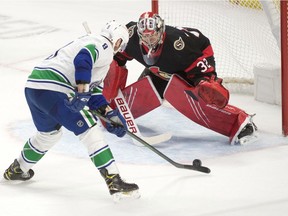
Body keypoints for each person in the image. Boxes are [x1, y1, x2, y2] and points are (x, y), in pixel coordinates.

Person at [3, 20, 140, 200]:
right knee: (90, 130)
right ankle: (114, 180)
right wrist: (82, 91)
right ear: (118, 41)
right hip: (55, 89)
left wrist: (109, 114)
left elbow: (93, 92)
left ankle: (18, 169)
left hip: (34, 88)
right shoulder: (104, 45)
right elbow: (83, 58)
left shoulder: (92, 43)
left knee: (49, 134)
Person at [109, 12, 257, 145]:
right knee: (145, 90)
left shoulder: (179, 45)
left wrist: (203, 81)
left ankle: (241, 122)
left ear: (160, 31)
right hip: (161, 69)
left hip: (193, 60)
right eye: (145, 36)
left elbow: (200, 57)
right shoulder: (131, 36)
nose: (149, 40)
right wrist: (108, 91)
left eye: (152, 35)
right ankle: (108, 110)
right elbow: (119, 58)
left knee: (191, 97)